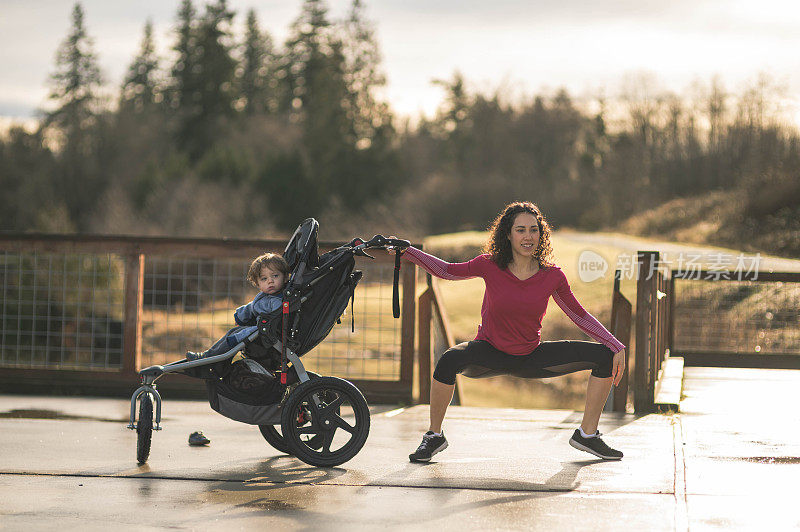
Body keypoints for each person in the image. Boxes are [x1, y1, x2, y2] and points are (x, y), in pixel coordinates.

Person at [392, 201, 626, 462]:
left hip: (531, 356)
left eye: (534, 230)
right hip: (489, 353)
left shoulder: (552, 276)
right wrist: (408, 252)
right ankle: (434, 436)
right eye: (521, 230)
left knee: (605, 357)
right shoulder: (489, 265)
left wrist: (616, 345)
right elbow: (447, 271)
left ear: (542, 234)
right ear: (508, 234)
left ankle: (587, 435)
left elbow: (579, 315)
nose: (528, 236)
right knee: (449, 359)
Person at [186, 253, 290, 360]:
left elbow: (270, 322)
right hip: (260, 330)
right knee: (232, 332)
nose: (270, 281)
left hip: (266, 335)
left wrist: (240, 335)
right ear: (257, 284)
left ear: (286, 277)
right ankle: (210, 354)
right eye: (264, 279)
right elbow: (252, 306)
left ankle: (210, 357)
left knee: (235, 335)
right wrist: (239, 315)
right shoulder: (265, 296)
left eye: (275, 276)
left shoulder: (278, 301)